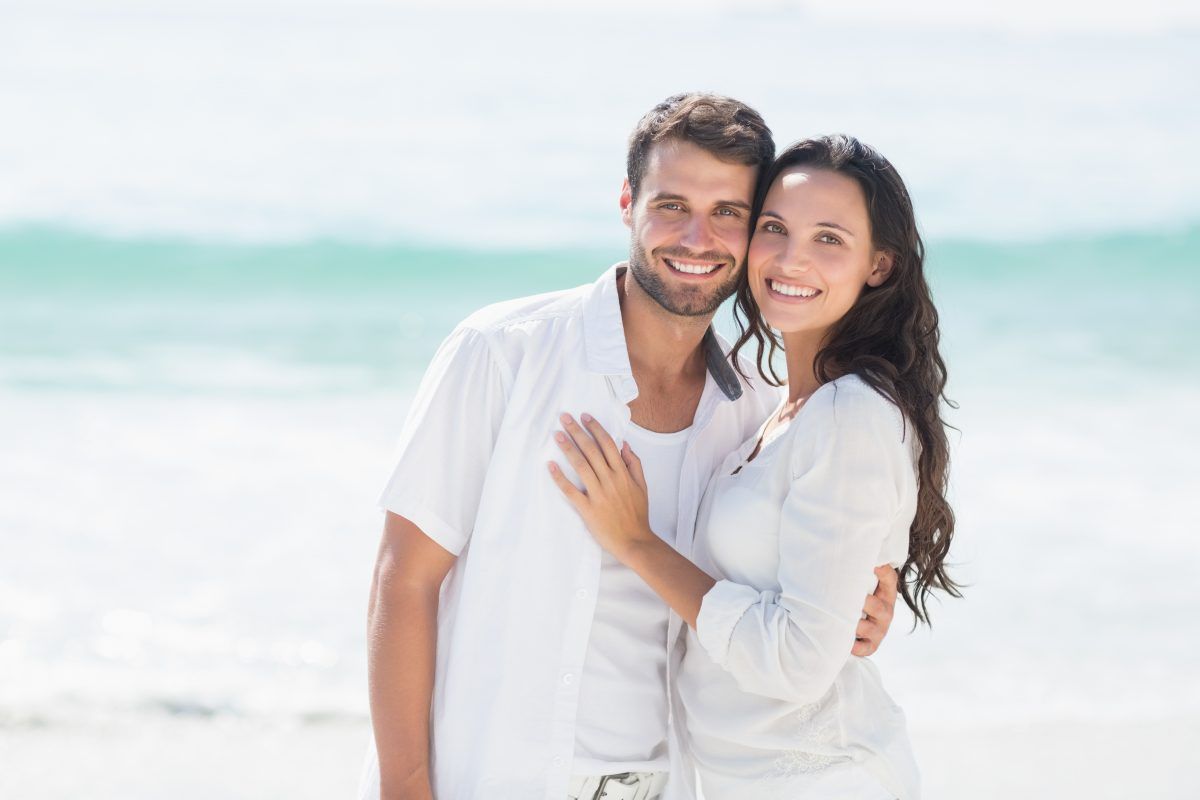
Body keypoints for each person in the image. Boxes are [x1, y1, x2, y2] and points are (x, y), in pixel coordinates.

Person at [360, 95, 899, 800]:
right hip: (487, 776)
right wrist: (404, 788)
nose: (696, 238)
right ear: (627, 203)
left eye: (727, 213)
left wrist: (861, 606)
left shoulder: (758, 417)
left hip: (662, 783)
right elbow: (404, 579)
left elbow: (793, 603)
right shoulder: (503, 353)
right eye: (671, 205)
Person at [548, 135, 959, 799]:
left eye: (829, 239)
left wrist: (635, 543)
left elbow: (796, 664)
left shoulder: (849, 415)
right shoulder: (776, 411)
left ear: (878, 265)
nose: (792, 258)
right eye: (774, 228)